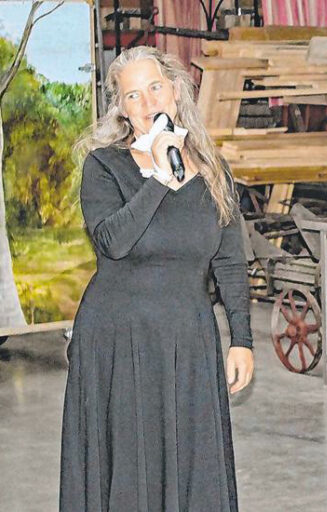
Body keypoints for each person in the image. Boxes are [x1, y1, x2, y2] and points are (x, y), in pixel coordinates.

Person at [60, 46, 254, 512]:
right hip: (118, 342)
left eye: (154, 88)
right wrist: (158, 179)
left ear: (175, 91)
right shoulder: (104, 166)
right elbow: (114, 242)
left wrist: (242, 339)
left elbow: (229, 261)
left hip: (187, 340)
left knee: (192, 468)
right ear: (121, 108)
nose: (148, 104)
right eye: (133, 95)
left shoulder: (212, 170)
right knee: (129, 469)